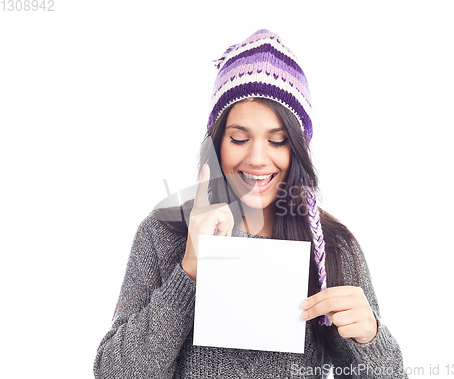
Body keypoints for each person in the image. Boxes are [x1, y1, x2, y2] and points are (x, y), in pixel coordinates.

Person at [94, 29, 407, 379]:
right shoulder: (162, 234)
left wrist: (369, 337)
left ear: (298, 150)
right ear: (217, 141)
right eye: (239, 138)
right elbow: (114, 374)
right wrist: (190, 268)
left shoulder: (334, 247)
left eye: (277, 141)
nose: (258, 158)